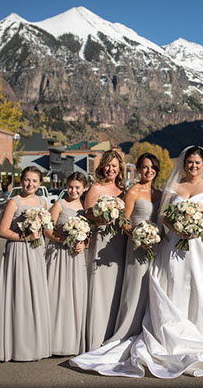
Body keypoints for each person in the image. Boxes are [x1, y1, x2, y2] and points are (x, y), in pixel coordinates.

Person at [70, 146, 203, 378]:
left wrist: (195, 228)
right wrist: (178, 227)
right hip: (174, 246)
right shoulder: (173, 187)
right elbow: (164, 216)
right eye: (189, 162)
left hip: (202, 249)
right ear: (184, 163)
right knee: (175, 287)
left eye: (197, 163)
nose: (193, 166)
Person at [0, 166, 51, 362]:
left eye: (34, 181)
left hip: (36, 251)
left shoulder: (43, 202)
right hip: (18, 251)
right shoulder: (14, 202)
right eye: (27, 180)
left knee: (35, 295)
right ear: (21, 181)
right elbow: (2, 231)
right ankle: (18, 346)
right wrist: (23, 236)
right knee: (20, 295)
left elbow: (46, 229)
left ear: (40, 183)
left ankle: (36, 344)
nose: (30, 184)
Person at [105, 153, 161, 343]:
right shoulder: (133, 192)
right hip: (137, 246)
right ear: (138, 169)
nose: (149, 170)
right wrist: (138, 236)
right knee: (135, 286)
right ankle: (128, 330)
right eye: (145, 167)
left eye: (153, 167)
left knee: (154, 287)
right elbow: (123, 221)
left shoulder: (159, 194)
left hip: (156, 247)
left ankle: (151, 330)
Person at [83, 149, 128, 351]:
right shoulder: (96, 187)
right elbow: (87, 214)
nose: (111, 169)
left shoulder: (123, 189)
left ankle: (113, 334)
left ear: (120, 170)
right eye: (108, 165)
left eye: (114, 166)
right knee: (100, 286)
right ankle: (96, 336)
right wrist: (102, 217)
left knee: (117, 286)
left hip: (119, 241)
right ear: (102, 167)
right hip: (101, 240)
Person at [44, 172, 89, 356]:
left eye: (77, 187)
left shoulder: (84, 207)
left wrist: (83, 243)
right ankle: (53, 341)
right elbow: (47, 230)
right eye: (70, 187)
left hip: (76, 257)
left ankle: (71, 341)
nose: (73, 190)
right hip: (59, 255)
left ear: (84, 188)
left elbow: (88, 233)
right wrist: (65, 240)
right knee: (57, 295)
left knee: (74, 296)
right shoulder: (59, 204)